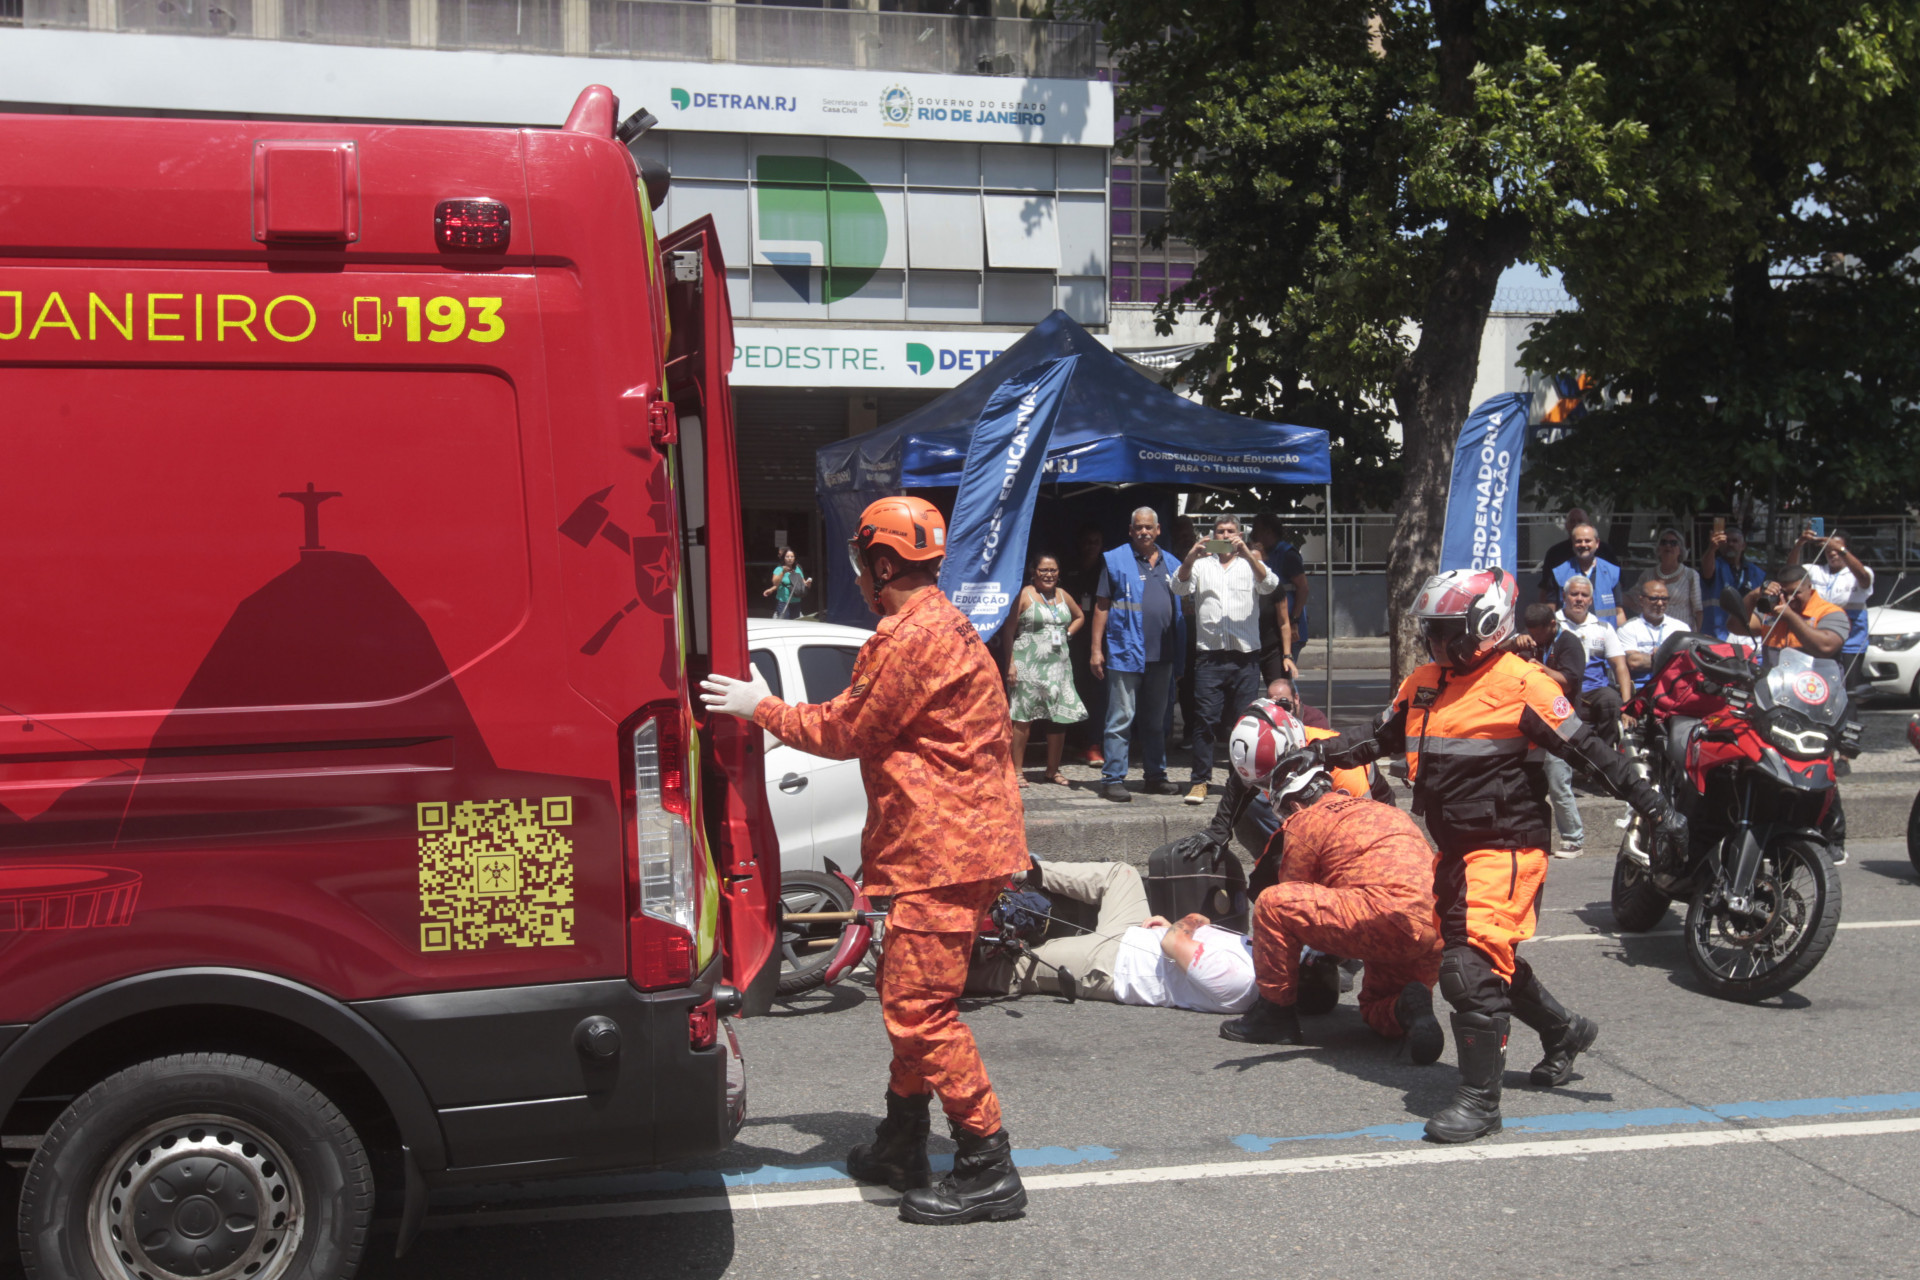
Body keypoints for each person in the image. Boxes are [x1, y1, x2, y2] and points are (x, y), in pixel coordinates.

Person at [698, 495, 1029, 1225]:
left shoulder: (912, 637)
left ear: (883, 564)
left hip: (943, 852)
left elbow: (847, 728)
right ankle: (901, 1141)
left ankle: (987, 1162)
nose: (857, 574)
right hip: (943, 847)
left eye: (861, 561)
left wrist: (760, 705)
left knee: (919, 1009)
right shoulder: (940, 625)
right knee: (908, 999)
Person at [1324, 567, 1686, 1144]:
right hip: (1456, 852)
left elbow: (1591, 754)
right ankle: (1563, 1031)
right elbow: (1377, 736)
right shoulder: (1425, 681)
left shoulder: (1523, 684)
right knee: (1491, 962)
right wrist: (1311, 754)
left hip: (1508, 848)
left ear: (1485, 627)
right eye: (1431, 632)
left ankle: (1479, 1103)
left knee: (1466, 972)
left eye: (1447, 630)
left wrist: (1656, 809)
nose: (1437, 643)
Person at [1216, 703, 1446, 1064]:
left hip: (1386, 919)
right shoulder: (1382, 810)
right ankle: (1407, 1007)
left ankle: (1274, 1017)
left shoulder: (1303, 824)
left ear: (1290, 803)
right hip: (1434, 926)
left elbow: (1294, 906)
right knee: (1374, 1008)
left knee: (1274, 905)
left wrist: (1309, 964)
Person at [995, 861, 1256, 1012]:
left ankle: (960, 973)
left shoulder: (1242, 981)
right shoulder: (1260, 952)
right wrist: (1172, 927)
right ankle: (1008, 869)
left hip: (1114, 964)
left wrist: (1194, 920)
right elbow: (1177, 940)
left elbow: (1173, 942)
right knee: (1122, 873)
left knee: (1019, 963)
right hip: (1137, 931)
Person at [1730, 563, 1852, 865]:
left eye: (1796, 594)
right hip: (1777, 702)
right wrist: (1755, 595)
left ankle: (1833, 835)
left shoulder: (1829, 612)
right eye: (1784, 593)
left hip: (1816, 703)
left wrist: (1790, 615)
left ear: (1810, 588)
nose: (1789, 599)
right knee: (1769, 763)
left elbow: (1826, 645)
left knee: (1819, 766)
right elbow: (1736, 624)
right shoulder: (1774, 610)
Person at [1174, 516, 1279, 805]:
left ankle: (1240, 782)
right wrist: (1190, 558)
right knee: (1204, 721)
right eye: (1220, 531)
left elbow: (1270, 585)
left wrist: (1247, 554)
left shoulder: (1249, 563)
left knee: (1242, 724)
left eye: (1231, 531)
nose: (1225, 535)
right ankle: (1199, 781)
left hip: (1245, 658)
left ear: (1240, 534)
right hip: (1209, 658)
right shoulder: (1202, 565)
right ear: (1212, 535)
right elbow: (1179, 588)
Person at [1089, 508, 1186, 804]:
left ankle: (1155, 776)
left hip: (1162, 656)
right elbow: (1102, 605)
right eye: (1138, 528)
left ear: (1158, 531)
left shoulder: (1173, 563)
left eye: (1149, 528)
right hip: (1125, 651)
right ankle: (1113, 778)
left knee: (1157, 721)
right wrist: (1095, 650)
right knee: (1121, 717)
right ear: (1130, 531)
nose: (1144, 532)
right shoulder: (1116, 560)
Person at [1512, 602, 1588, 858]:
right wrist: (1515, 643)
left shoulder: (1569, 643)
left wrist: (1539, 668)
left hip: (1558, 721)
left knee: (1558, 782)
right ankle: (1528, 835)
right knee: (1527, 783)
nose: (1534, 638)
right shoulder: (1528, 641)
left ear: (1552, 625)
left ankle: (1573, 839)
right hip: (1530, 723)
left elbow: (1568, 682)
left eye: (1538, 633)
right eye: (1530, 632)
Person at [1003, 554, 1087, 787]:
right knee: (1023, 717)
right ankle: (1017, 771)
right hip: (1027, 664)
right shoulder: (1024, 595)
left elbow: (1080, 616)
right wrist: (1010, 664)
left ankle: (1052, 770)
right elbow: (1009, 631)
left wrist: (1068, 634)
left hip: (1057, 666)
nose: (1048, 574)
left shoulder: (1063, 595)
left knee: (1057, 718)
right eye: (1043, 570)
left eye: (1053, 570)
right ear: (1033, 572)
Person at [1790, 527, 1875, 687]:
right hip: (1821, 636)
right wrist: (1799, 544)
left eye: (1837, 549)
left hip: (1851, 639)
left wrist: (1841, 550)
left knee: (1849, 687)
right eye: (1829, 549)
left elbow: (1864, 579)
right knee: (1819, 684)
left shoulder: (1860, 571)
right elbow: (1790, 571)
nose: (1833, 553)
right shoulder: (1815, 570)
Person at [1559, 575, 1632, 747]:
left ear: (1591, 600)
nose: (1579, 599)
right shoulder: (1553, 624)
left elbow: (1620, 666)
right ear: (1564, 597)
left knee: (1611, 699)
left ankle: (1604, 756)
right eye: (1574, 594)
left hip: (1594, 690)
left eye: (1584, 596)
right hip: (1562, 688)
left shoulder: (1603, 628)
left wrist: (1628, 706)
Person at [1060, 522, 1109, 763]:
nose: (1091, 546)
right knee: (1071, 689)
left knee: (1097, 692)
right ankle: (1073, 741)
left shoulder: (1106, 570)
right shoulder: (1067, 569)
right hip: (1070, 640)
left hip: (1099, 641)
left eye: (1096, 542)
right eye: (1087, 542)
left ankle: (1093, 743)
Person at [1252, 514, 1312, 675]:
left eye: (1256, 530)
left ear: (1268, 531)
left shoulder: (1287, 554)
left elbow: (1303, 588)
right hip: (1267, 630)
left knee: (1283, 677)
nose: (1252, 534)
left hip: (1287, 625)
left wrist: (1294, 620)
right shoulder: (1257, 554)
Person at [1541, 523, 1624, 623]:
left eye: (1587, 541)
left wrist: (1622, 635)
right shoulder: (1559, 572)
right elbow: (1551, 608)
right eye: (1578, 541)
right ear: (1572, 544)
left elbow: (1619, 612)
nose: (1583, 544)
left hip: (1603, 632)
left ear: (1597, 543)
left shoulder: (1612, 572)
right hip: (1570, 632)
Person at [1700, 524, 1766, 648]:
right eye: (1727, 541)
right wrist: (1712, 548)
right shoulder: (1715, 566)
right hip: (1717, 636)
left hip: (1747, 639)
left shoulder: (1757, 573)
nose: (1730, 544)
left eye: (1735, 541)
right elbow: (1706, 569)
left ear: (1743, 545)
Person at [1618, 580, 1689, 693]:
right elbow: (1633, 662)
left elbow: (1687, 661)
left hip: (1673, 688)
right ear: (1641, 600)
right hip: (1641, 687)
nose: (1660, 603)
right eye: (1654, 598)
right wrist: (1669, 658)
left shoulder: (1681, 628)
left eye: (1664, 599)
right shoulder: (1628, 628)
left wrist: (1653, 657)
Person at [1642, 527, 1703, 630]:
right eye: (1664, 542)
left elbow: (1698, 610)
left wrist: (1697, 636)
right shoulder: (1647, 574)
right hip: (1653, 631)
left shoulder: (1690, 575)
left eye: (1673, 543)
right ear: (1658, 548)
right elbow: (1634, 600)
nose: (1668, 545)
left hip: (1681, 634)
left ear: (1680, 549)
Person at [1537, 507, 1621, 578]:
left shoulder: (1605, 551)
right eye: (1572, 521)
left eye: (1580, 521)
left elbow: (1618, 583)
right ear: (1566, 526)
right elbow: (1546, 589)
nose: (1576, 524)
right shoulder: (1555, 553)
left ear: (1589, 524)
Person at [763, 546, 812, 619]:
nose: (790, 558)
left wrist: (808, 584)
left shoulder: (797, 568)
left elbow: (803, 583)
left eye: (792, 557)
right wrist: (783, 572)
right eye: (787, 556)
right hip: (784, 601)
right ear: (784, 558)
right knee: (784, 623)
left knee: (794, 624)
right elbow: (775, 583)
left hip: (796, 601)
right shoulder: (779, 569)